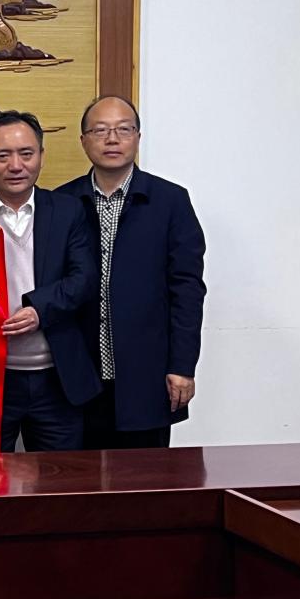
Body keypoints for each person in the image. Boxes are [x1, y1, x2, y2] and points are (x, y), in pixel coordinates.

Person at [57, 95, 206, 448]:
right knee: (77, 477)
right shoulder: (62, 203)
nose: (112, 139)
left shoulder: (170, 201)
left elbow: (187, 290)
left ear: (138, 137)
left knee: (145, 477)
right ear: (83, 140)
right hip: (78, 377)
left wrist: (182, 366)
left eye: (123, 129)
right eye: (100, 130)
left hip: (147, 372)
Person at [0, 112, 100, 451]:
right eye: (2, 155)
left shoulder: (68, 211)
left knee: (62, 477)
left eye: (26, 153)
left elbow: (84, 278)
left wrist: (39, 309)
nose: (16, 165)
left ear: (41, 156)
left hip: (57, 377)